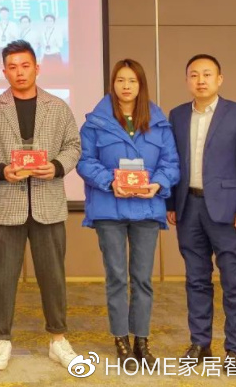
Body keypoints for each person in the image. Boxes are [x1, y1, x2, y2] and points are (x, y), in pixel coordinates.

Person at [0, 40, 81, 372]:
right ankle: (2, 339)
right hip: (7, 204)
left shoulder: (57, 107)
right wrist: (1, 170)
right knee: (2, 277)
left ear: (37, 68)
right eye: (12, 67)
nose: (19, 72)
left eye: (25, 65)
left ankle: (58, 339)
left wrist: (57, 166)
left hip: (48, 203)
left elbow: (73, 145)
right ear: (4, 71)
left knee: (53, 277)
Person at [77, 59, 180, 363]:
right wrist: (110, 182)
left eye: (132, 81)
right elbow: (85, 161)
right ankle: (121, 339)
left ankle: (142, 340)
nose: (126, 86)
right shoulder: (96, 122)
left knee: (142, 279)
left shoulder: (159, 122)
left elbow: (171, 164)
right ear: (113, 84)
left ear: (141, 85)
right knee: (117, 277)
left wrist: (158, 184)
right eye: (120, 80)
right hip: (109, 208)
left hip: (147, 208)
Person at [167, 55, 236, 367]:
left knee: (233, 282)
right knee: (196, 279)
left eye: (207, 74)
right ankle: (200, 343)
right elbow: (172, 163)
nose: (201, 80)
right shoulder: (178, 115)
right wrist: (171, 204)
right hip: (188, 207)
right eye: (194, 75)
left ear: (220, 79)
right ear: (187, 80)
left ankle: (235, 351)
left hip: (228, 210)